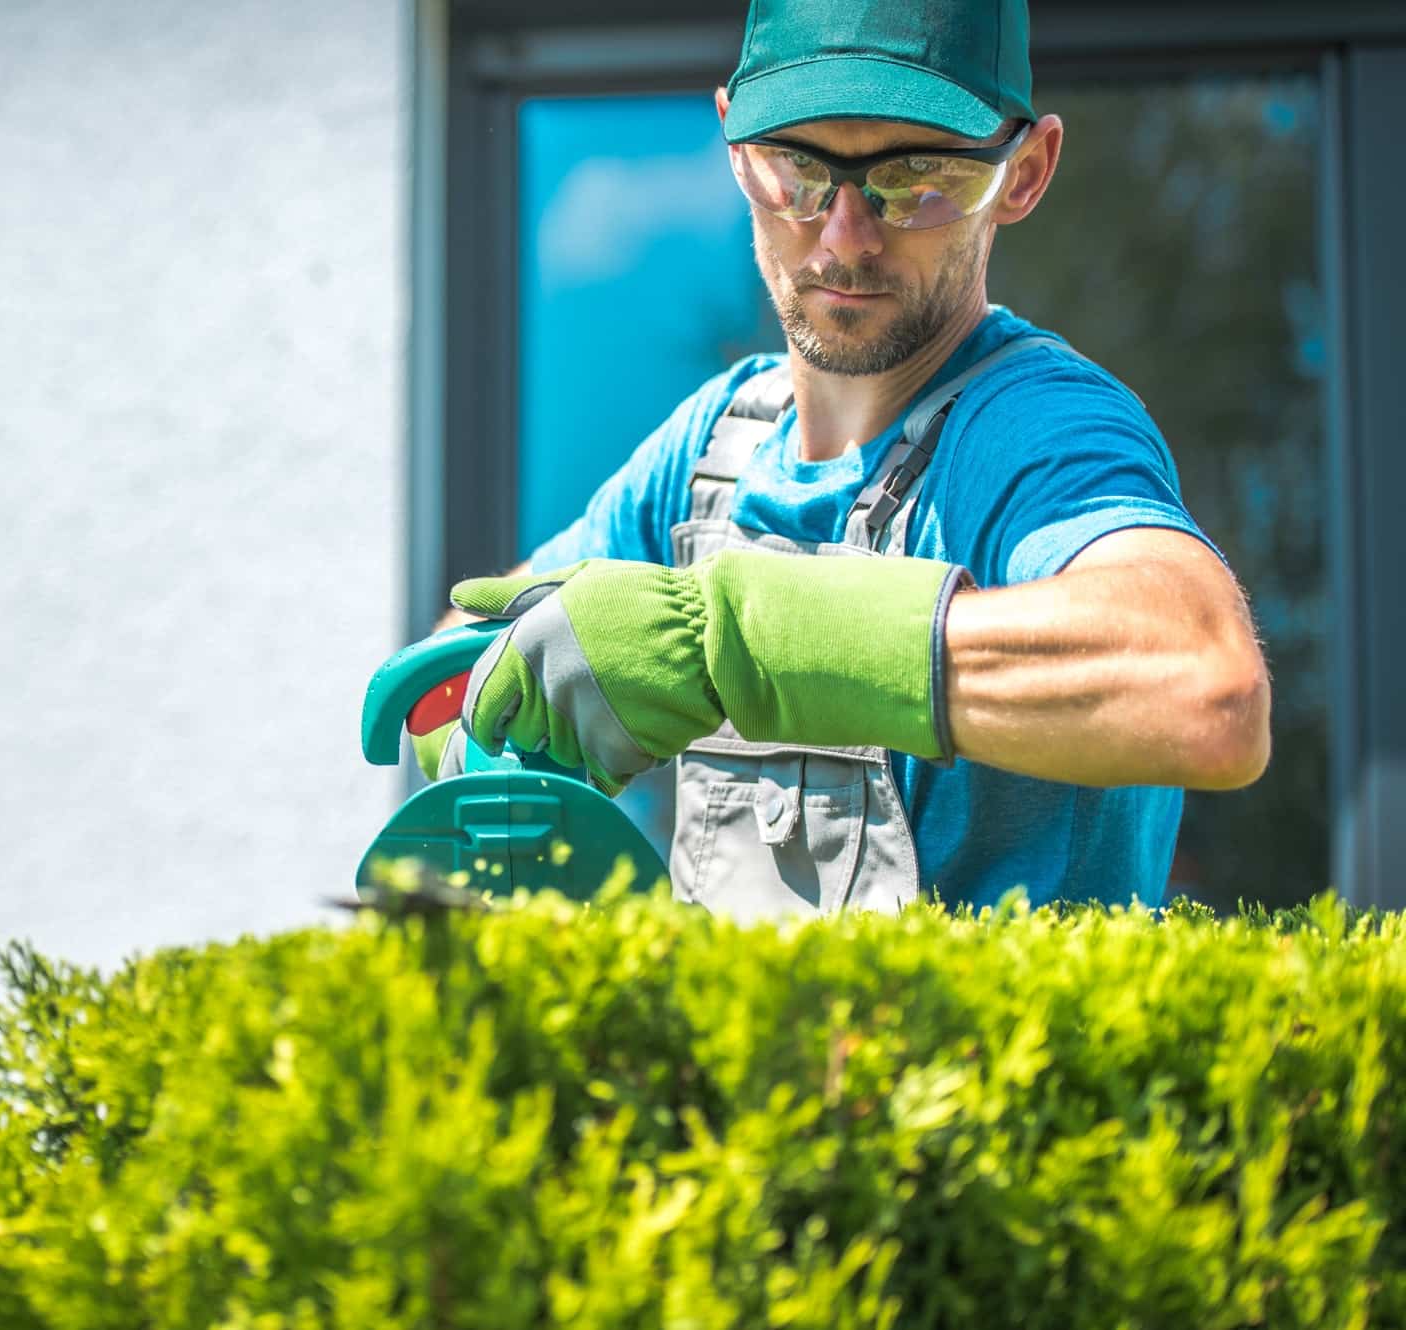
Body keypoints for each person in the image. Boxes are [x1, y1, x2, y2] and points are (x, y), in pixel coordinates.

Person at [424, 0, 1271, 918]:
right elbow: (446, 683)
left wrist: (733, 643)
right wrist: (486, 728)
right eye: (797, 170)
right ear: (734, 148)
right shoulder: (716, 446)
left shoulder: (1037, 431)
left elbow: (1206, 693)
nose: (844, 237)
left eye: (917, 179)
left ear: (1024, 173)